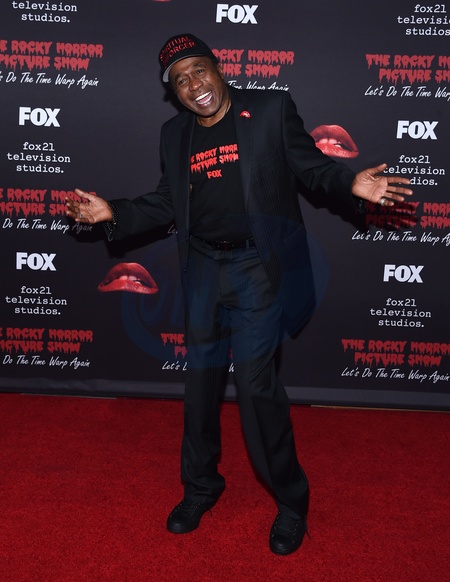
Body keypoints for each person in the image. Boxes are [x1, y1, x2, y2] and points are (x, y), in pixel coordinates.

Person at [66, 33, 412, 556]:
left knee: (256, 388)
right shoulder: (174, 134)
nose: (193, 85)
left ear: (218, 67)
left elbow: (312, 167)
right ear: (173, 92)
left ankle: (291, 503)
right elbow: (167, 201)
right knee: (200, 386)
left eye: (198, 71)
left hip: (257, 266)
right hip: (203, 266)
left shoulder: (270, 110)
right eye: (180, 81)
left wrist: (349, 185)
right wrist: (114, 212)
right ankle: (201, 488)